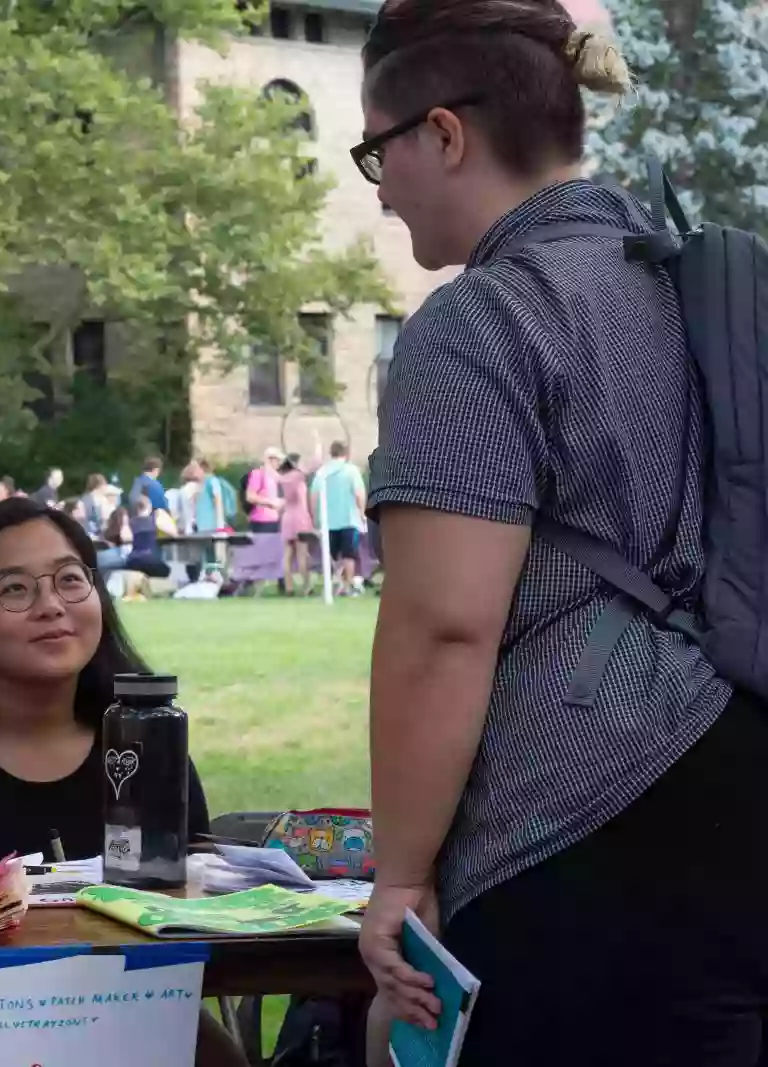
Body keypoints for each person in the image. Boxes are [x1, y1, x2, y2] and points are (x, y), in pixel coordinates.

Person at [349, 6, 746, 1065]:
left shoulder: (483, 320)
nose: (378, 189)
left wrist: (399, 879)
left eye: (374, 150)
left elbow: (442, 627)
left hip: (577, 817)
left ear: (442, 134)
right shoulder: (694, 282)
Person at [0, 499, 238, 1066]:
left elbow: (193, 910)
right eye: (15, 590)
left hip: (137, 1023)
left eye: (70, 581)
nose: (51, 606)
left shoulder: (151, 745)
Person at [310, 442, 366, 597]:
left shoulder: (322, 472)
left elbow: (314, 497)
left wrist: (315, 517)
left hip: (328, 521)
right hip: (349, 519)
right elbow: (359, 493)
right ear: (345, 453)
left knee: (331, 555)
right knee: (349, 555)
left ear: (331, 453)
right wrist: (361, 513)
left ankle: (335, 583)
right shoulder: (351, 471)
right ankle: (347, 586)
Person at [277, 454, 315, 596]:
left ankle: (289, 587)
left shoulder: (283, 478)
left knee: (287, 555)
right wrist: (317, 442)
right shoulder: (297, 476)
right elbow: (315, 463)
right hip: (299, 517)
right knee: (302, 554)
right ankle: (307, 586)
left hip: (287, 517)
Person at [243, 448, 286, 534]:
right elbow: (250, 496)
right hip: (261, 521)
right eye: (277, 460)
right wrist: (269, 502)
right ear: (269, 459)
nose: (279, 463)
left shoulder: (276, 476)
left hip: (276, 520)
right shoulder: (258, 474)